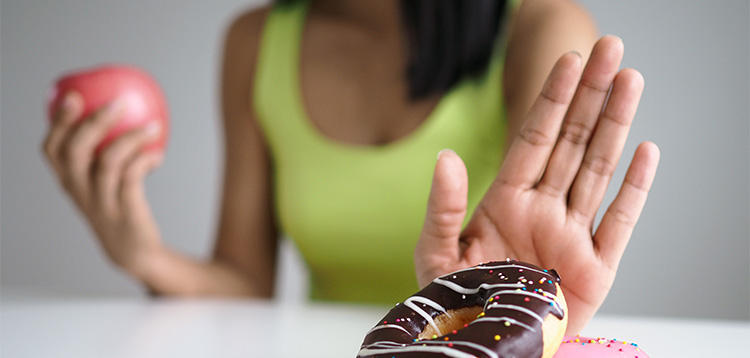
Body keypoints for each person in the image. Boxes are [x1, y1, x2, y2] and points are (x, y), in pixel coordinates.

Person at [42, 0, 659, 334]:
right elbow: (244, 281)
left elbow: (543, 278)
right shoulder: (255, 40)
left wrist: (503, 300)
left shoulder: (540, 27)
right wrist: (142, 254)